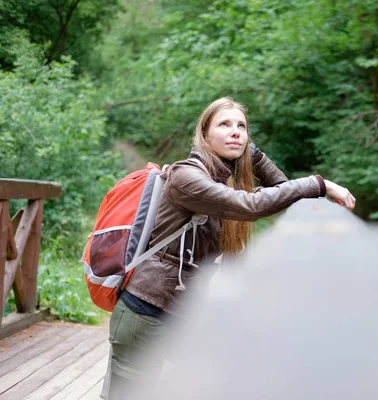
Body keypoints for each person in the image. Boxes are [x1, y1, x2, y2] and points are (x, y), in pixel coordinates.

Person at [102, 97, 355, 398]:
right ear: (205, 134)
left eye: (242, 127)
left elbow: (281, 188)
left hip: (184, 311)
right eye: (224, 125)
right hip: (146, 311)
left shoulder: (220, 179)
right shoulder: (187, 176)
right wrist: (321, 184)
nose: (235, 131)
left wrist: (254, 155)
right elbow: (251, 205)